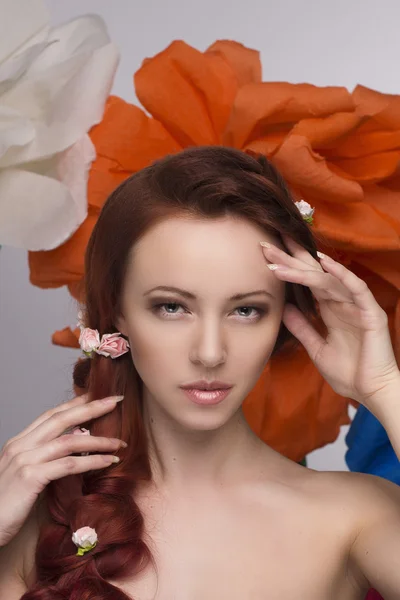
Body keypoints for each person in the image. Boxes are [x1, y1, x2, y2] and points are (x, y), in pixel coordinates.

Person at [1, 146, 400, 599]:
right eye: (172, 307)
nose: (210, 353)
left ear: (284, 318)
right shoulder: (33, 515)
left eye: (246, 310)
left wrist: (384, 388)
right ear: (116, 313)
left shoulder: (355, 515)